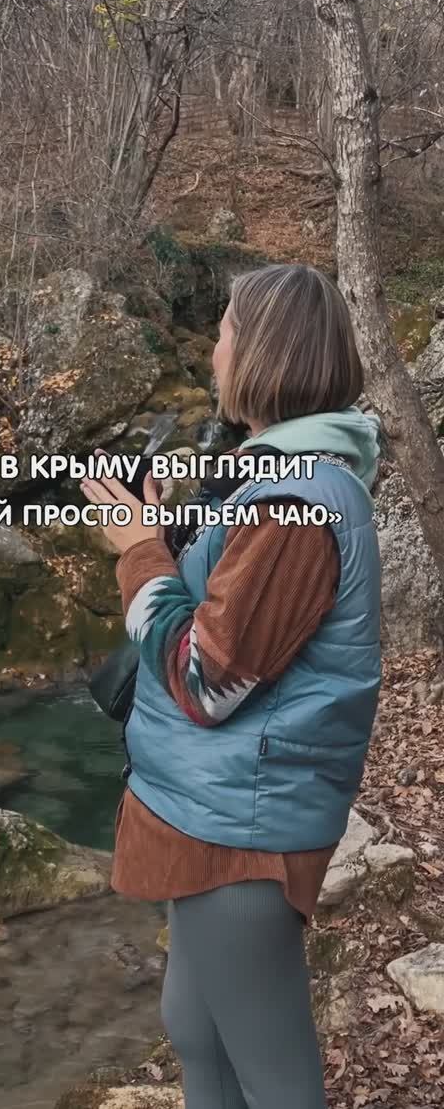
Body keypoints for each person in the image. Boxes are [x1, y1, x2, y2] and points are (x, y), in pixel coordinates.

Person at [80, 262, 382, 1109]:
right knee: (195, 1029)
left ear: (263, 354)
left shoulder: (297, 505)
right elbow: (225, 605)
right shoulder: (275, 483)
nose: (213, 352)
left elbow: (206, 681)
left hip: (243, 827)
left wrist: (138, 551)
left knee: (273, 1073)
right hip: (207, 809)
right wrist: (164, 529)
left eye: (223, 333)